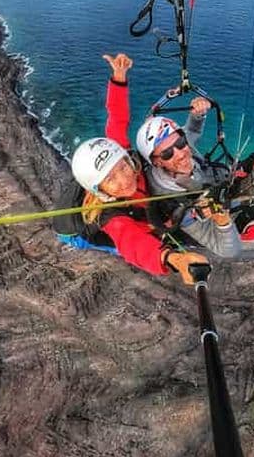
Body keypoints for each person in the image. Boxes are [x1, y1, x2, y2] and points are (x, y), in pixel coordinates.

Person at [66, 53, 208, 285]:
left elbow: (117, 120)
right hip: (91, 237)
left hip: (144, 206)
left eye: (122, 167)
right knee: (135, 241)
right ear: (102, 189)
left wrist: (119, 79)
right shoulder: (111, 216)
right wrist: (174, 260)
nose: (125, 179)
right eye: (111, 179)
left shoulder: (124, 156)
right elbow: (133, 244)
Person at [136, 106, 254, 244]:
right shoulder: (168, 195)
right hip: (224, 216)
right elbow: (189, 219)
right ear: (156, 162)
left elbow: (191, 130)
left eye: (180, 143)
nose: (180, 153)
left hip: (222, 181)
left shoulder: (183, 152)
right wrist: (246, 189)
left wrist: (197, 114)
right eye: (167, 154)